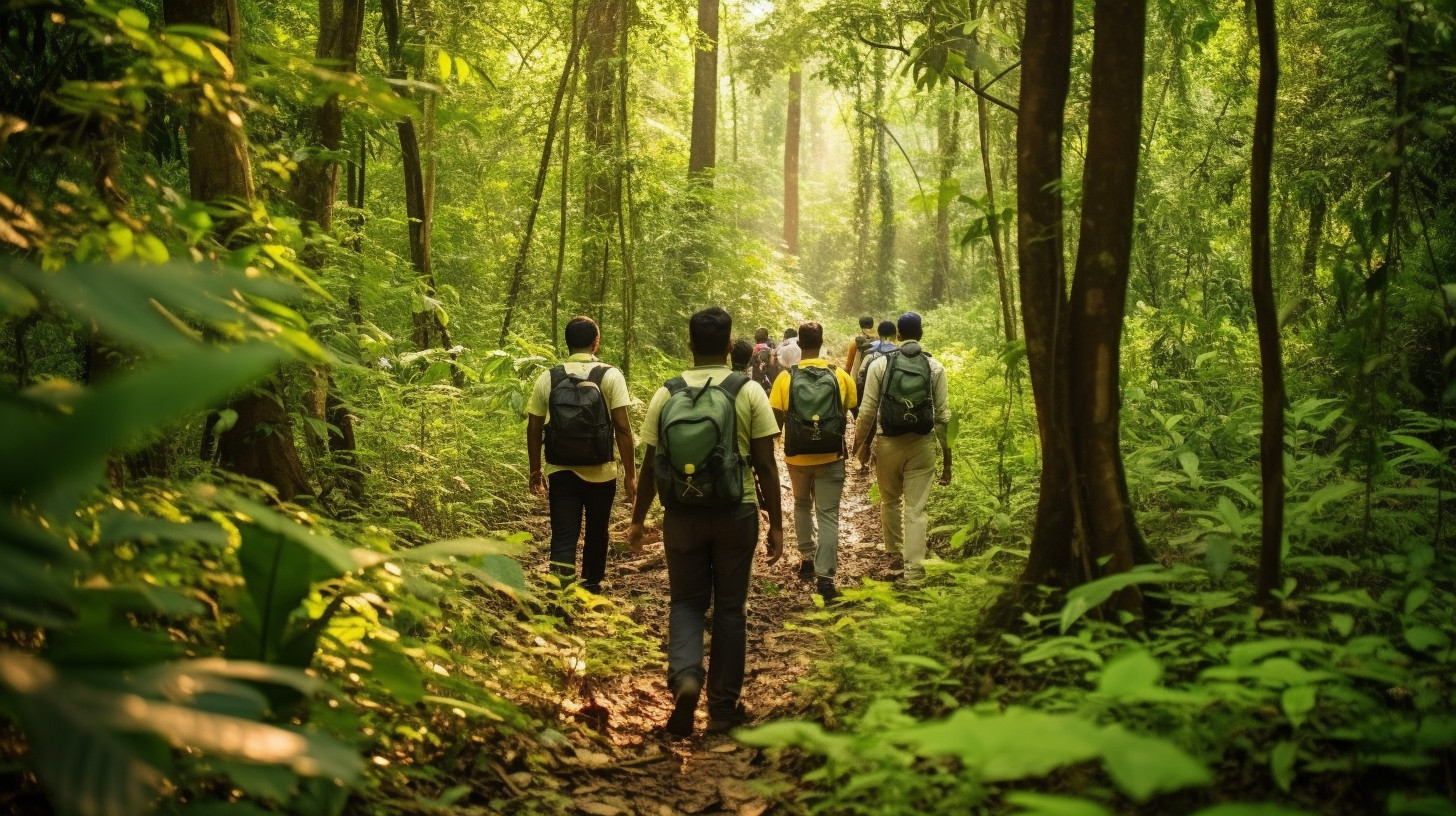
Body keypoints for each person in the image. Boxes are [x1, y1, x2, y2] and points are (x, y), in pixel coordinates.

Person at [628, 306, 784, 737]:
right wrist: (777, 524)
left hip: (682, 515)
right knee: (731, 609)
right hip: (737, 512)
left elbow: (650, 465)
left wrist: (639, 520)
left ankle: (686, 677)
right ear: (731, 341)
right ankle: (722, 707)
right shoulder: (747, 391)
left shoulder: (667, 393)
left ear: (690, 345)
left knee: (686, 602)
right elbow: (767, 464)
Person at [525, 316, 636, 594]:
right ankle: (591, 589)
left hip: (560, 468)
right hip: (601, 471)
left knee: (563, 534)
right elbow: (622, 427)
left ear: (567, 343)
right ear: (595, 343)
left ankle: (560, 594)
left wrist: (535, 470)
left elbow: (534, 425)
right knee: (597, 532)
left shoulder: (548, 377)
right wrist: (630, 475)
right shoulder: (610, 375)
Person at [852, 312, 951, 582]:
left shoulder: (880, 365)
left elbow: (868, 410)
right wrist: (948, 459)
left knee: (891, 501)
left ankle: (894, 558)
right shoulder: (935, 367)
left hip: (888, 444)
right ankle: (915, 571)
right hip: (922, 443)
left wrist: (859, 445)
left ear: (898, 335)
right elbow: (943, 417)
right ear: (920, 334)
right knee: (916, 509)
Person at [769, 321, 857, 602]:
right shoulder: (840, 376)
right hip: (831, 455)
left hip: (797, 456)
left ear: (799, 344)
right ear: (821, 342)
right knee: (828, 514)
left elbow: (775, 421)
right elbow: (848, 412)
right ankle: (826, 578)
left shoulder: (786, 378)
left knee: (801, 503)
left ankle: (806, 559)